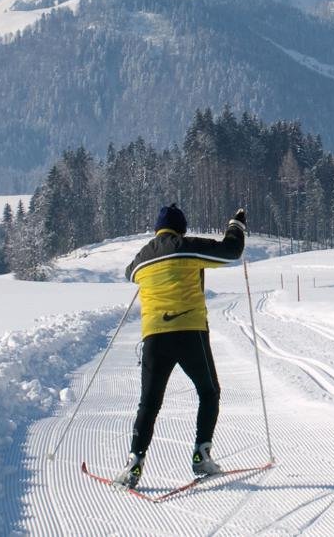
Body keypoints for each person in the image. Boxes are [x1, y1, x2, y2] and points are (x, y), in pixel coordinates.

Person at [114, 203, 247, 488]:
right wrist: (236, 225)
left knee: (149, 403)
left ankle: (134, 461)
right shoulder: (186, 246)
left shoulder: (142, 258)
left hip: (153, 338)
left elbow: (129, 273)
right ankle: (201, 454)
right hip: (190, 333)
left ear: (157, 229)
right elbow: (231, 251)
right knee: (209, 392)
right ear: (181, 228)